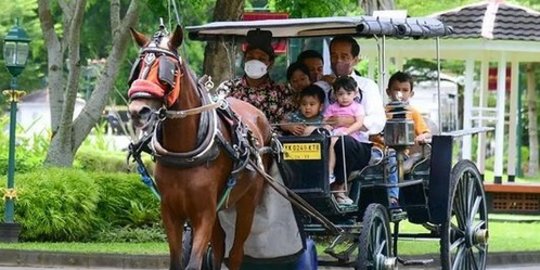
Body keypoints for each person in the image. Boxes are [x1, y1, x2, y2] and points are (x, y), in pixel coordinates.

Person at [327, 35, 386, 205]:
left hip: (357, 146)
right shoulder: (322, 87)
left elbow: (378, 120)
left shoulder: (367, 86)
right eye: (334, 56)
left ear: (355, 59)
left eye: (344, 56)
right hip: (327, 140)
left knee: (344, 143)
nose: (338, 61)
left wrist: (350, 122)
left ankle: (339, 186)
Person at [216, 30, 294, 124]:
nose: (255, 62)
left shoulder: (282, 92)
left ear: (270, 63)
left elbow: (289, 123)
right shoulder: (228, 88)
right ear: (245, 60)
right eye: (250, 57)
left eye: (261, 59)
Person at [380, 71, 432, 205]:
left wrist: (421, 136)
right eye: (396, 90)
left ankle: (393, 198)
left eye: (404, 90)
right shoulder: (381, 111)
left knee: (392, 159)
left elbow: (426, 133)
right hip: (379, 150)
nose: (400, 94)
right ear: (388, 91)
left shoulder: (412, 112)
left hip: (400, 153)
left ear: (411, 93)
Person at [323, 77, 365, 204]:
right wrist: (328, 127)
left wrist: (346, 131)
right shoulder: (332, 107)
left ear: (355, 93)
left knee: (336, 141)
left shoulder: (357, 107)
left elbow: (359, 123)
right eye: (341, 94)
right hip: (334, 134)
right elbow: (325, 122)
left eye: (348, 93)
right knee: (330, 141)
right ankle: (329, 172)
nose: (345, 97)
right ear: (335, 95)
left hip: (350, 136)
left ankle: (331, 172)